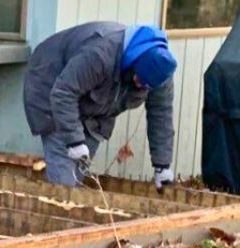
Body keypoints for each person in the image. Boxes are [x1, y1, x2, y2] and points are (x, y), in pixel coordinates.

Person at [24, 22, 178, 188]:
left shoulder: (161, 72)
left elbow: (161, 115)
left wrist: (162, 165)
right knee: (65, 182)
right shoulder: (101, 55)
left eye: (146, 85)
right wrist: (74, 140)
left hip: (93, 106)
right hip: (51, 84)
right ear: (134, 62)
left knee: (77, 177)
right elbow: (63, 93)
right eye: (139, 79)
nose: (140, 85)